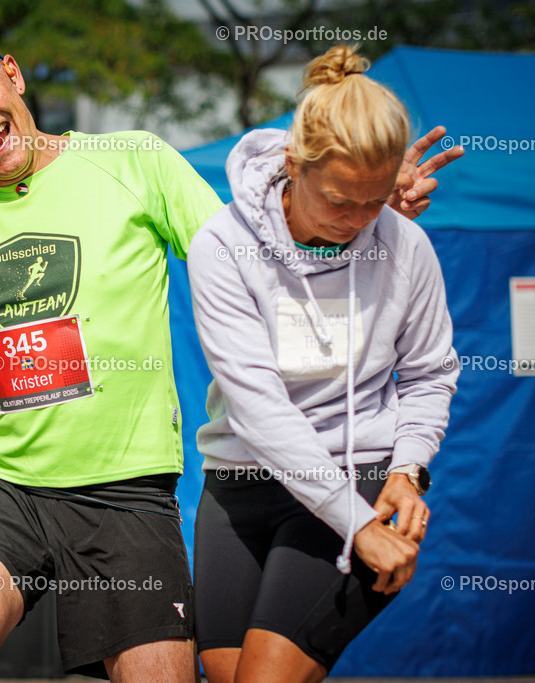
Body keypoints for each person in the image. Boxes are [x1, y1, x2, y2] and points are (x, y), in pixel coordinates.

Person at [0, 24, 460, 682]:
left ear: (12, 74)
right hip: (6, 483)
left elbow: (257, 258)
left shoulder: (135, 160)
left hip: (127, 489)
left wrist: (355, 207)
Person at [186, 45, 460, 683]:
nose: (359, 222)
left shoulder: (404, 243)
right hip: (242, 484)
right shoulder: (223, 247)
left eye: (374, 201)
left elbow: (427, 374)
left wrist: (408, 470)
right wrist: (357, 525)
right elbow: (258, 408)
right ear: (292, 164)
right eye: (340, 200)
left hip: (357, 469)